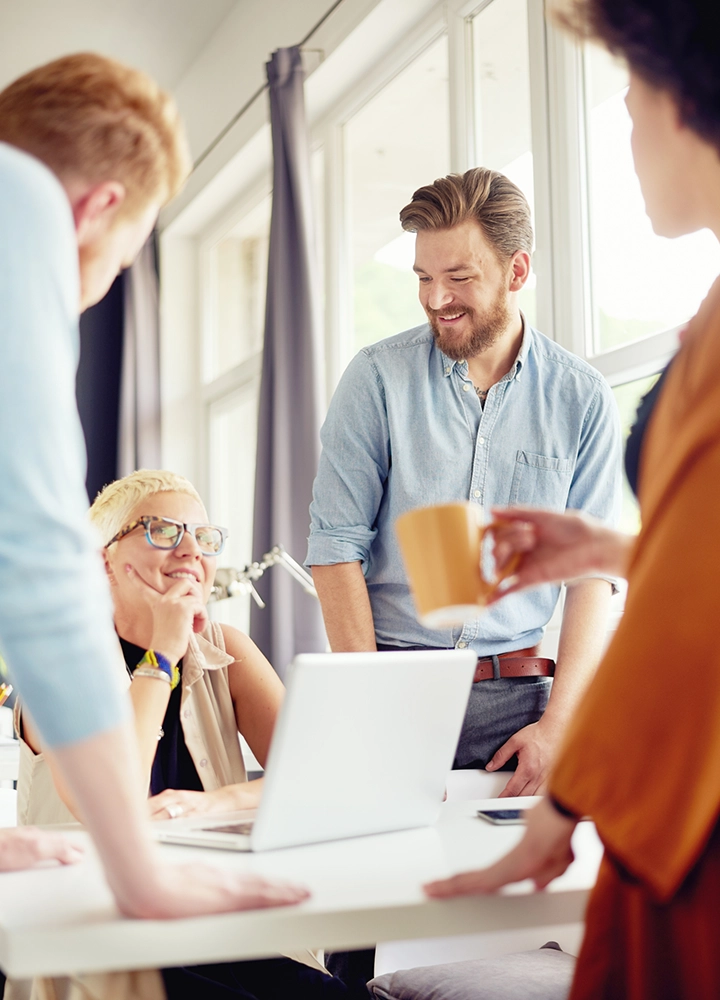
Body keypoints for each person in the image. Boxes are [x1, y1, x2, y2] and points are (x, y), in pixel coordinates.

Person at [424, 1, 720, 997]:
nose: (629, 132)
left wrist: (558, 811)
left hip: (691, 828)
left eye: (633, 98)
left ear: (690, 101)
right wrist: (610, 547)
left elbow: (689, 628)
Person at [0, 52, 305, 928]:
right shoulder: (21, 222)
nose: (103, 286)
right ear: (98, 208)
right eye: (127, 253)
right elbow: (40, 577)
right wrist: (142, 875)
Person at [307, 167, 622, 798]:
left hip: (524, 706)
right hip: (392, 687)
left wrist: (559, 724)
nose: (434, 298)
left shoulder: (581, 399)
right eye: (423, 277)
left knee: (523, 888)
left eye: (458, 278)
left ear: (517, 271)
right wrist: (373, 708)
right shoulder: (375, 380)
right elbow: (336, 547)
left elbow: (592, 576)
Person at [11, 469, 367, 1000]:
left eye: (202, 536)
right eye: (160, 530)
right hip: (109, 945)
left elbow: (319, 779)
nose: (189, 550)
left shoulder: (230, 650)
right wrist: (162, 651)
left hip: (224, 924)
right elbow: (113, 801)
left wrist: (211, 804)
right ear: (102, 561)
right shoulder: (55, 671)